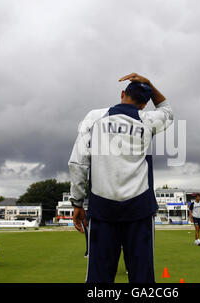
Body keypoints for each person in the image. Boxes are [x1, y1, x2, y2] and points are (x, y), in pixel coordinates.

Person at [69, 73, 172, 283]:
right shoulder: (147, 119)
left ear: (123, 93)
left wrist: (77, 202)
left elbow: (78, 162)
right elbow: (167, 111)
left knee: (99, 278)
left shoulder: (94, 117)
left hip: (102, 208)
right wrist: (149, 84)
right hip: (139, 208)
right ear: (144, 104)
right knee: (142, 278)